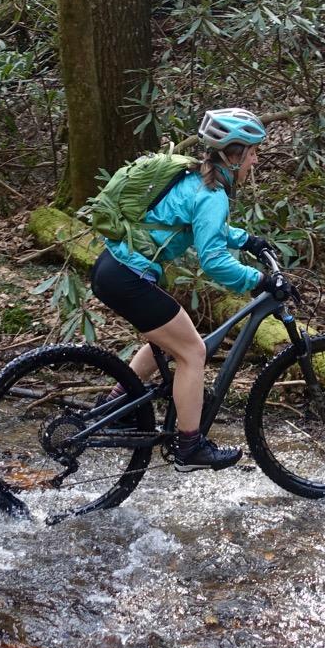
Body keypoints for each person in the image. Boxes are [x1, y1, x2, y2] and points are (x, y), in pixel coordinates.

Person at [89, 107, 283, 470]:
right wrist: (258, 280)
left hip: (112, 269)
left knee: (170, 340)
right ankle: (190, 446)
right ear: (234, 153)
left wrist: (249, 241)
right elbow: (213, 261)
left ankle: (113, 406)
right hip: (127, 278)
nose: (256, 160)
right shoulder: (213, 194)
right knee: (193, 352)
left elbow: (205, 229)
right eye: (253, 151)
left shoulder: (196, 178)